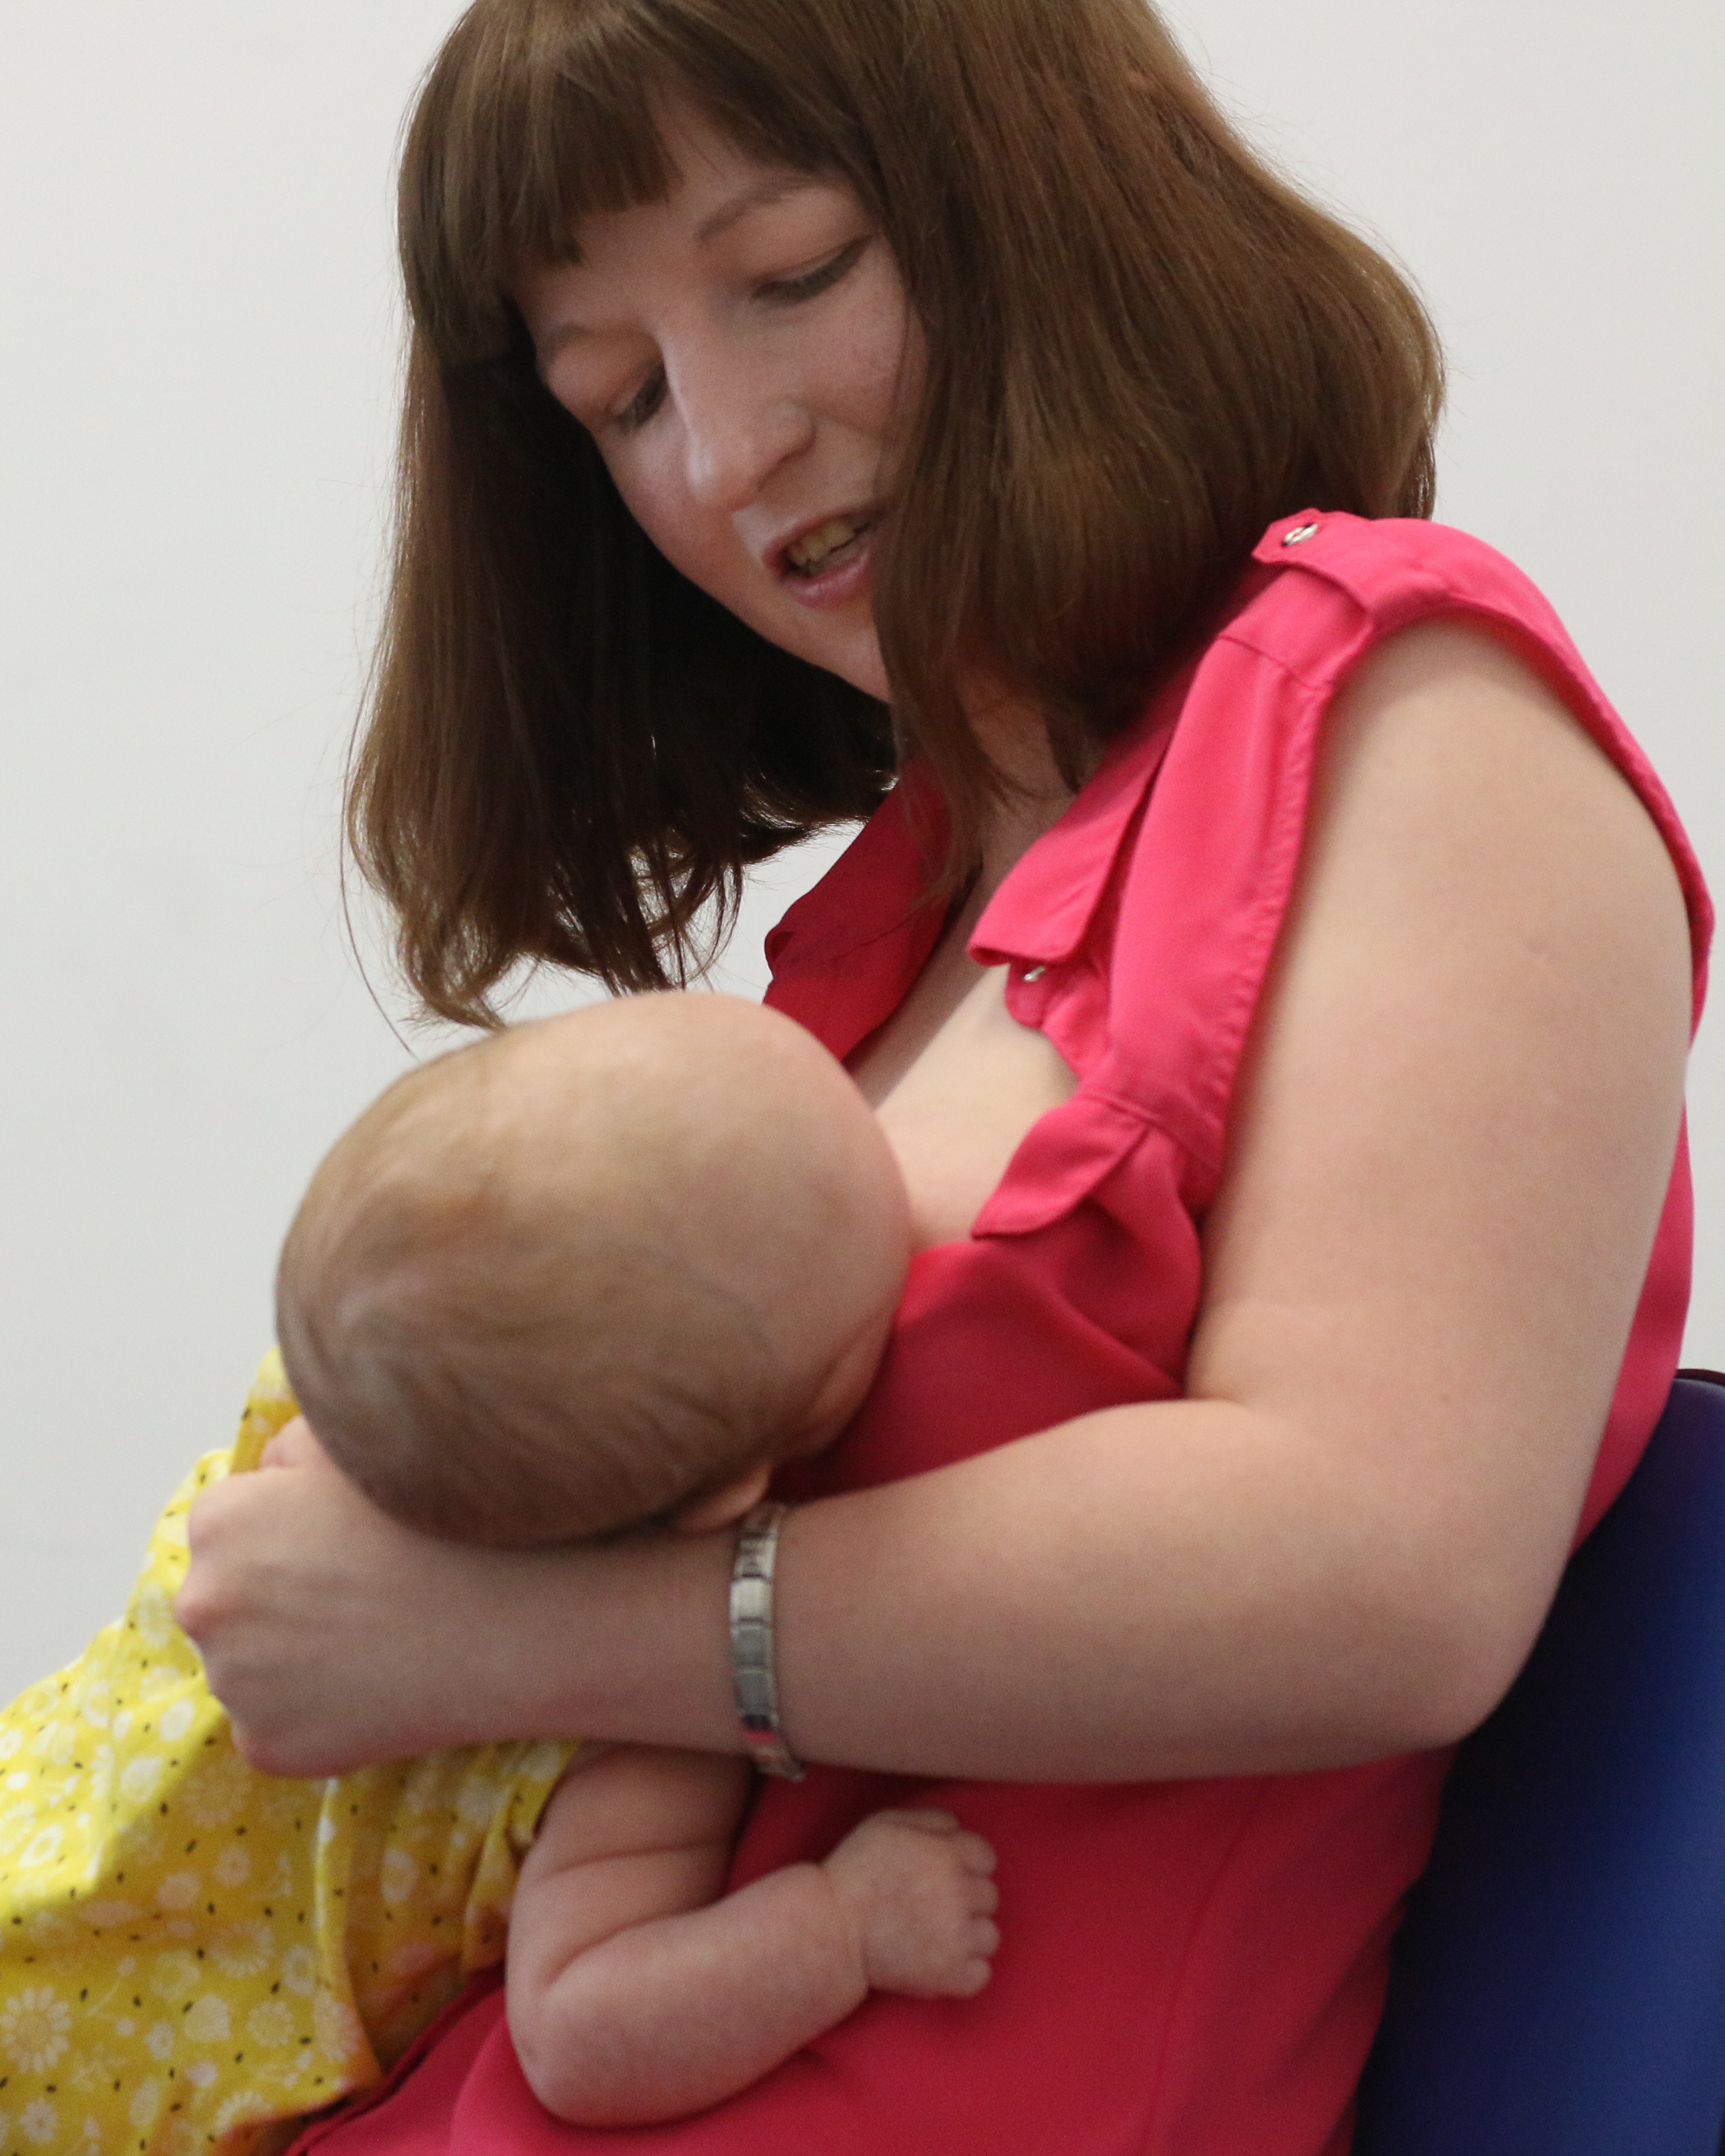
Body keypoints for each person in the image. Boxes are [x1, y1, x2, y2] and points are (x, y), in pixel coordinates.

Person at [164, 3, 1708, 2152]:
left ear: (1044, 192)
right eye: (617, 394)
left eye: (788, 273)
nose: (719, 450)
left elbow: (1379, 1567)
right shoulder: (873, 943)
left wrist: (509, 1628)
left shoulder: (1403, 697)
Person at [0, 993, 1000, 2156]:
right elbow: (589, 2031)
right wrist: (843, 1929)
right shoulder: (627, 1723)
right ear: (741, 1492)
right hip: (112, 2119)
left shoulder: (332, 1431)